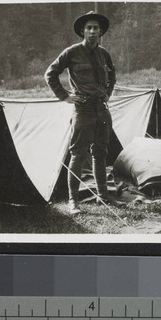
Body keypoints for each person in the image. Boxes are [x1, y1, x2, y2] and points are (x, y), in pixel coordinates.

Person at [45, 11, 121, 214]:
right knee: (78, 154)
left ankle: (102, 197)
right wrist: (65, 96)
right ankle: (73, 202)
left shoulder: (104, 54)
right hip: (83, 109)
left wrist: (108, 93)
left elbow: (112, 76)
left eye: (96, 28)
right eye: (89, 28)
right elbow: (50, 74)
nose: (93, 31)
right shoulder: (71, 52)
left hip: (101, 110)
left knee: (101, 153)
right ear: (82, 31)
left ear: (101, 32)